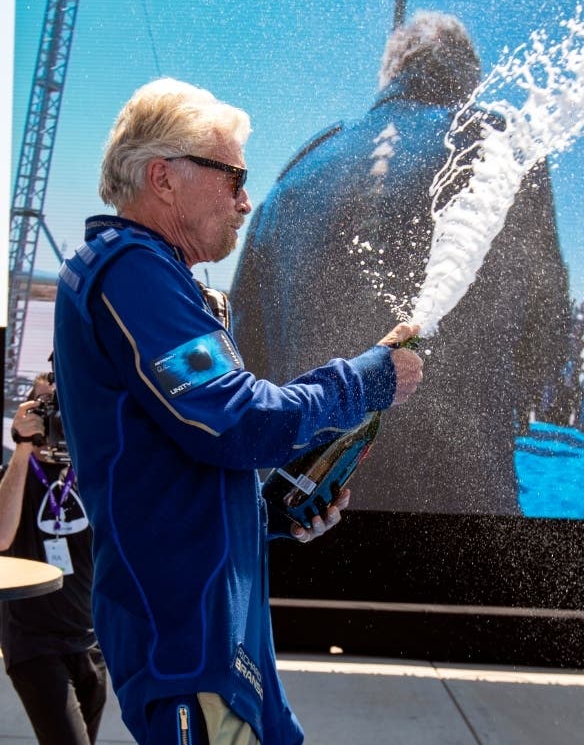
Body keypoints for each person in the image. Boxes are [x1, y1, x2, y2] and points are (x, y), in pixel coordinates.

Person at [52, 78, 423, 745]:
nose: (246, 201)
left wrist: (270, 511)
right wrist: (365, 380)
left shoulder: (145, 275)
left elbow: (184, 454)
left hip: (217, 649)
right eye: (233, 178)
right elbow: (235, 420)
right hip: (192, 652)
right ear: (163, 177)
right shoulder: (131, 270)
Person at [229, 11, 570, 515]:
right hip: (456, 507)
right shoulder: (499, 152)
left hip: (302, 509)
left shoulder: (297, 171)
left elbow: (244, 342)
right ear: (469, 81)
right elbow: (547, 334)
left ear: (388, 74)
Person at [0, 372, 107, 744]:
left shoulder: (92, 471)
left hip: (89, 639)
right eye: (44, 408)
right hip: (34, 642)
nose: (54, 420)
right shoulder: (14, 474)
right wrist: (23, 447)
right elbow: (1, 536)